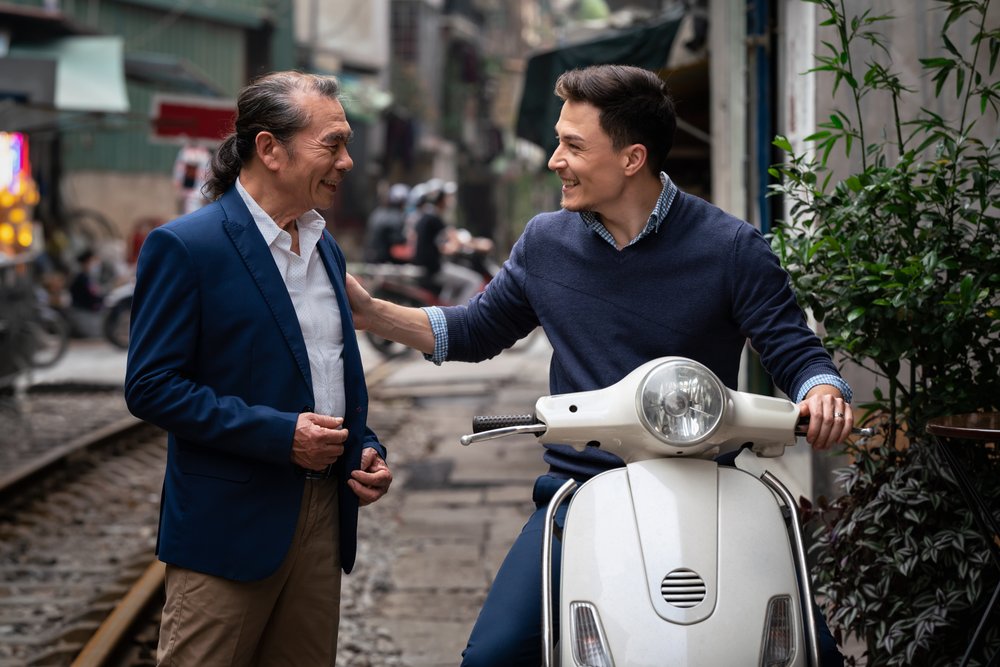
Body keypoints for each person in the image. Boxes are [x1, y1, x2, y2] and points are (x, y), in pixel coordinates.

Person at [347, 64, 852, 666]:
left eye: (572, 145)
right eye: (559, 140)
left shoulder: (731, 247)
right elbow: (476, 329)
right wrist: (372, 312)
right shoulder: (545, 242)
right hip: (581, 489)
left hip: (714, 485)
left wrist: (823, 392)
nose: (555, 159)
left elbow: (794, 349)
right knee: (492, 658)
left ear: (633, 157)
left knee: (813, 654)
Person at [124, 71, 393, 666]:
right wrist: (280, 436)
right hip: (229, 527)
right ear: (270, 148)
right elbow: (150, 386)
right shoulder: (188, 247)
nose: (346, 161)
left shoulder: (325, 247)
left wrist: (363, 447)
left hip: (323, 516)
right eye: (333, 144)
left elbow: (328, 372)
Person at [411, 178, 486, 305]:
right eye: (447, 197)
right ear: (439, 198)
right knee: (475, 280)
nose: (449, 201)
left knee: (454, 283)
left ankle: (447, 311)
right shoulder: (433, 218)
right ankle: (462, 315)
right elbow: (454, 238)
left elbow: (440, 242)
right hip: (434, 269)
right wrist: (478, 245)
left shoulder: (425, 216)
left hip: (428, 266)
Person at [363, 182, 409, 264]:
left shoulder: (377, 212)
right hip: (384, 262)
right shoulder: (396, 217)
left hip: (369, 258)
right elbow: (397, 247)